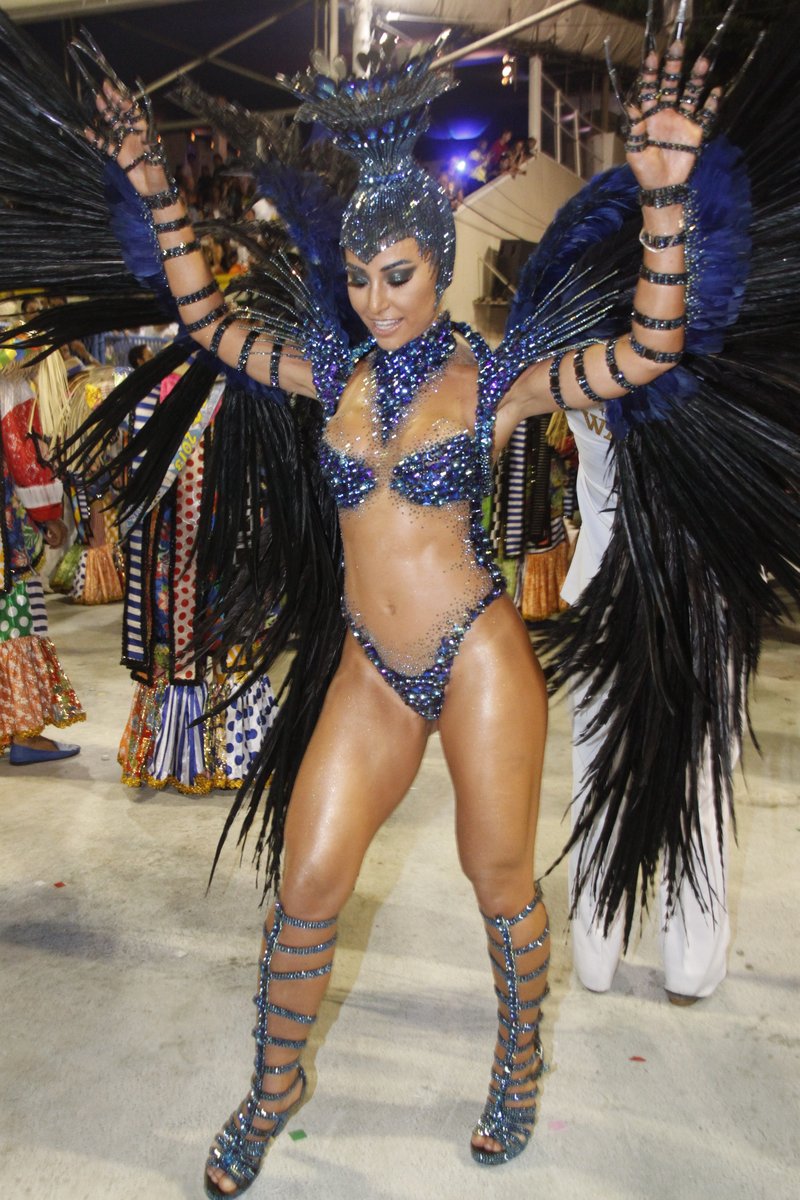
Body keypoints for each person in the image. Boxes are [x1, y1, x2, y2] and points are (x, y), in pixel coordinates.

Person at [87, 27, 718, 1197]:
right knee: (308, 881)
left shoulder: (498, 379)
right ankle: (273, 1089)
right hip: (370, 665)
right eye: (359, 276)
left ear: (438, 265)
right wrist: (154, 188)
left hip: (476, 655)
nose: (375, 300)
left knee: (496, 877)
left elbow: (647, 350)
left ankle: (517, 1064)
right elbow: (210, 329)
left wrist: (666, 195)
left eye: (399, 274)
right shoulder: (331, 374)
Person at [561, 403, 733, 1005]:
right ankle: (689, 965)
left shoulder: (579, 365)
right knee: (698, 783)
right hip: (701, 599)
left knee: (599, 776)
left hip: (607, 594)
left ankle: (595, 956)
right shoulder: (725, 370)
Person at [0, 343, 84, 763]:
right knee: (16, 623)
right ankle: (25, 735)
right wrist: (49, 513)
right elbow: (24, 454)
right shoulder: (9, 381)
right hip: (6, 542)